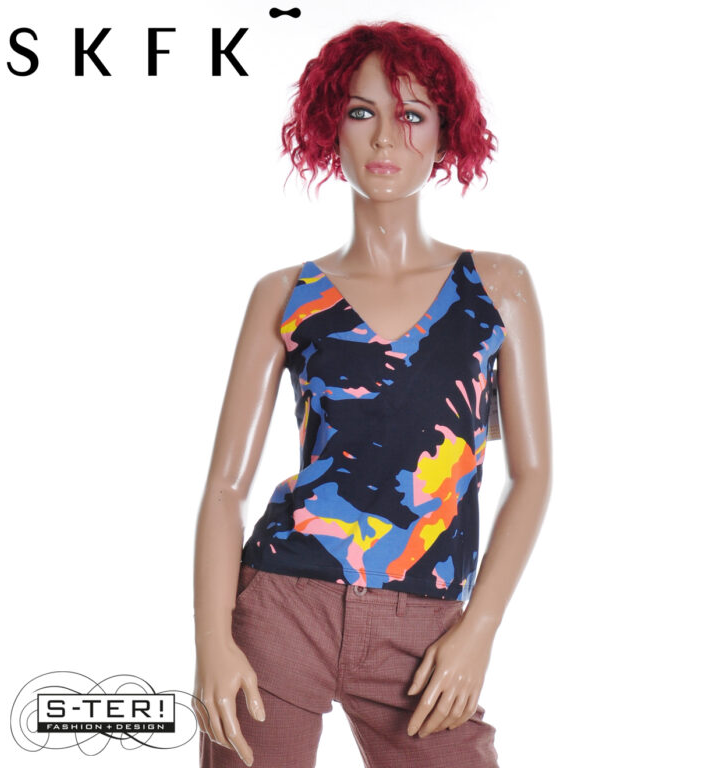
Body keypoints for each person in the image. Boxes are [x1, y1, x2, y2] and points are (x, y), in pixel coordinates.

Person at [193, 20, 551, 768]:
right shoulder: (287, 294)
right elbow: (224, 487)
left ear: (446, 133)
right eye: (362, 112)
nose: (386, 137)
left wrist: (479, 631)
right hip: (283, 606)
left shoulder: (497, 287)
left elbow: (533, 474)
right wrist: (212, 645)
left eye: (412, 115)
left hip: (423, 626)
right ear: (332, 125)